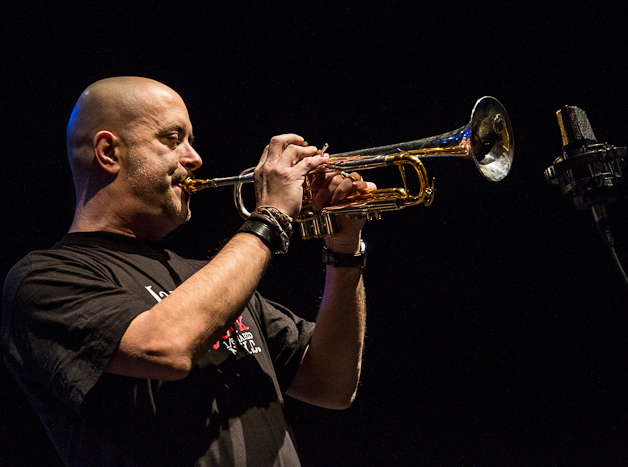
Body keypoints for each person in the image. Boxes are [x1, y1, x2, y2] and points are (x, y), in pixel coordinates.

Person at [1, 77, 372, 466]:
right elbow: (166, 347)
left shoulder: (210, 276)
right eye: (173, 138)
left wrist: (344, 251)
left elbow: (333, 384)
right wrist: (271, 218)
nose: (194, 158)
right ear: (109, 151)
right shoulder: (45, 279)